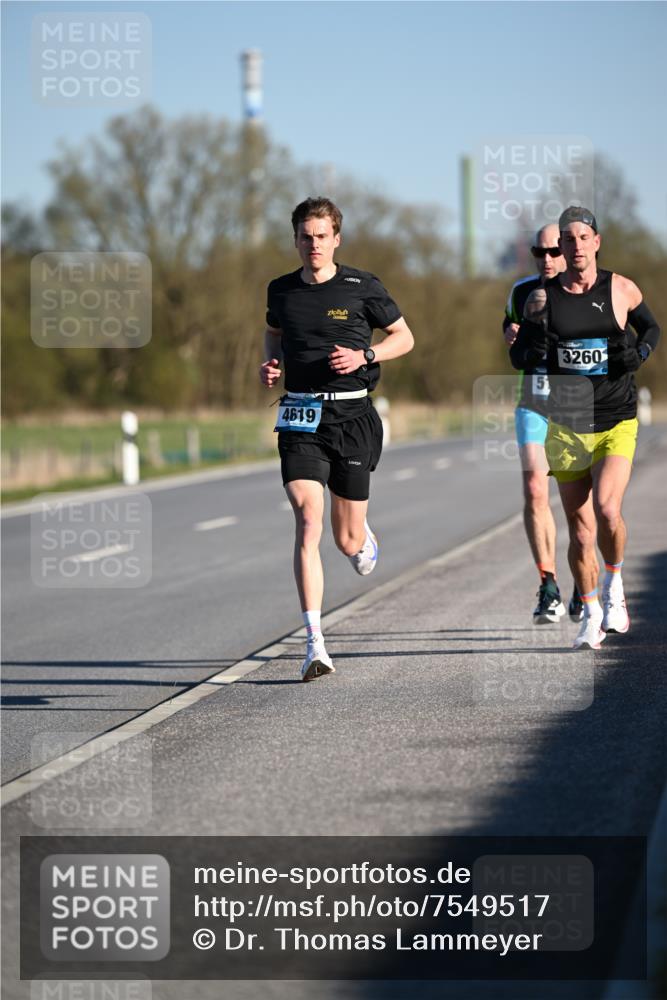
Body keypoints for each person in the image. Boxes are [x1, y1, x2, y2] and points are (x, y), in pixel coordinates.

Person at [260, 197, 415, 680]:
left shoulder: (361, 286)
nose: (313, 244)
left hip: (351, 417)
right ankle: (315, 644)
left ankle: (359, 538)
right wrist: (272, 362)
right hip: (301, 416)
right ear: (296, 240)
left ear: (336, 239)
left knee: (346, 539)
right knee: (308, 519)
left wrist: (366, 355)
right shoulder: (281, 289)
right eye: (305, 236)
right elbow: (272, 331)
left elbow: (404, 337)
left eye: (322, 236)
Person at [510, 206, 660, 650]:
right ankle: (590, 612)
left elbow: (651, 327)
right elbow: (519, 360)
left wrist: (641, 354)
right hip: (566, 423)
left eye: (581, 238)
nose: (573, 247)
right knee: (579, 530)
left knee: (608, 511)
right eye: (565, 241)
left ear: (596, 242)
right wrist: (534, 341)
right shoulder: (541, 299)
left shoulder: (621, 288)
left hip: (615, 419)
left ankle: (614, 585)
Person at [503, 224, 583, 624]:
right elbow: (508, 328)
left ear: (569, 251)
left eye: (554, 251)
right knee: (535, 486)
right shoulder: (521, 291)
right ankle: (548, 584)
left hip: (576, 407)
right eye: (540, 252)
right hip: (533, 402)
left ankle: (585, 585)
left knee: (578, 509)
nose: (547, 259)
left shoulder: (589, 292)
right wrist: (512, 335)